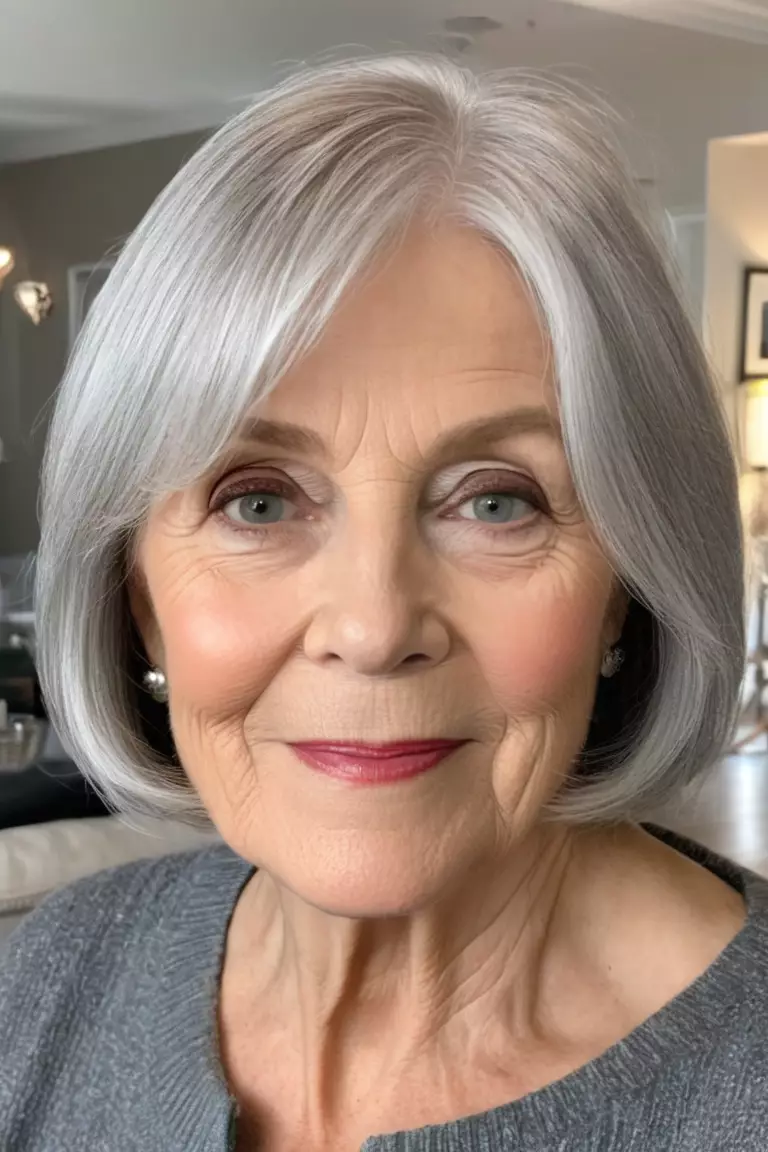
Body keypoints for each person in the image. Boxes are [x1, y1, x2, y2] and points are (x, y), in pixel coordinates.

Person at [0, 54, 762, 1152]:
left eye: (498, 501)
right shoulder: (51, 978)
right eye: (257, 501)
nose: (371, 627)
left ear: (622, 593)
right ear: (142, 599)